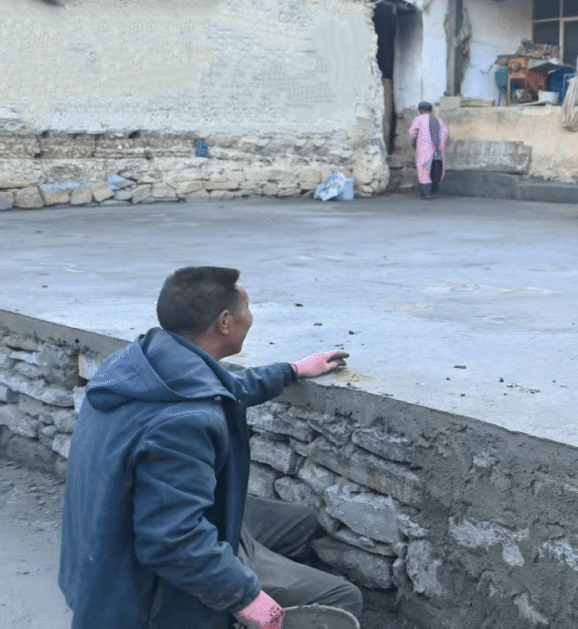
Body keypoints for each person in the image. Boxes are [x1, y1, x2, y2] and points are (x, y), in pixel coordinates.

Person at [58, 266, 363, 629]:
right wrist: (249, 602)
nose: (251, 315)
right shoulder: (182, 424)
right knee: (344, 596)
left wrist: (292, 370)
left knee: (300, 522)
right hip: (140, 589)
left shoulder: (139, 362)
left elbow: (219, 386)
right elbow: (171, 541)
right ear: (225, 323)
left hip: (101, 551)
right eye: (247, 307)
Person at [408, 100, 449, 199]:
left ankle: (425, 192)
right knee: (436, 170)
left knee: (424, 169)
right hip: (438, 151)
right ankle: (434, 191)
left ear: (420, 110)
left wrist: (413, 144)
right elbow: (446, 134)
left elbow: (413, 133)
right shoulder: (439, 120)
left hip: (425, 149)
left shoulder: (419, 119)